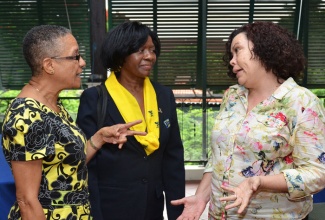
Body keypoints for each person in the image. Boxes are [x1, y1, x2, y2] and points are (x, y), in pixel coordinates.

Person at [171, 21, 325, 219]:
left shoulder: (301, 101)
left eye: (238, 51)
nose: (232, 61)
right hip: (220, 214)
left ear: (264, 49)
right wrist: (201, 196)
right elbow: (220, 156)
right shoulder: (232, 96)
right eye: (231, 55)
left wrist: (259, 183)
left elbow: (318, 173)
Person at [1, 25, 146, 220]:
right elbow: (27, 200)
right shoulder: (27, 114)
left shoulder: (52, 104)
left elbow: (65, 166)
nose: (83, 63)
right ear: (49, 65)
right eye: (75, 56)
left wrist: (99, 138)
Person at [76, 20, 185, 220]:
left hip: (152, 208)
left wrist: (177, 213)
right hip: (110, 208)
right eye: (140, 50)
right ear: (121, 55)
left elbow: (173, 157)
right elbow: (86, 163)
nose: (149, 56)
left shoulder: (164, 95)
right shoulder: (95, 98)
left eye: (152, 50)